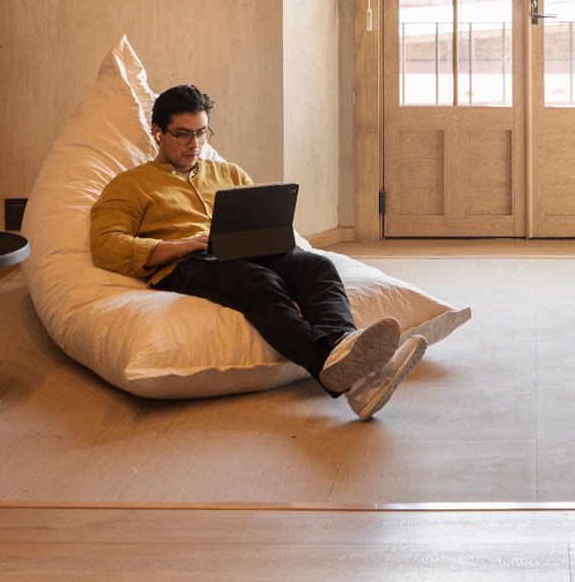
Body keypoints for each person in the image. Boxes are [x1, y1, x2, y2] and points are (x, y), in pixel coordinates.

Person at [89, 83, 426, 420]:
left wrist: (269, 237)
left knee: (316, 266)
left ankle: (344, 345)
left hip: (247, 250)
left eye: (202, 133)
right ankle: (338, 366)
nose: (195, 144)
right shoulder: (129, 185)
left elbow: (258, 218)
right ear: (157, 132)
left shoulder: (228, 172)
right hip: (187, 263)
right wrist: (180, 245)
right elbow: (106, 244)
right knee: (261, 283)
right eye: (182, 135)